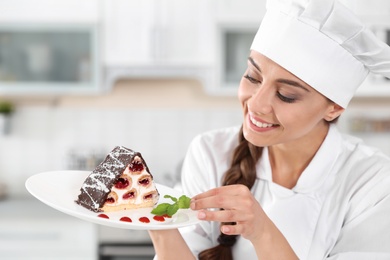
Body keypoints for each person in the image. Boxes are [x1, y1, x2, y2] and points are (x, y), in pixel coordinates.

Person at [148, 0, 390, 259]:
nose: (256, 104)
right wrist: (153, 218)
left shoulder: (373, 183)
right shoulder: (210, 152)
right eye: (252, 77)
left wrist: (262, 232)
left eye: (286, 95)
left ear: (334, 108)